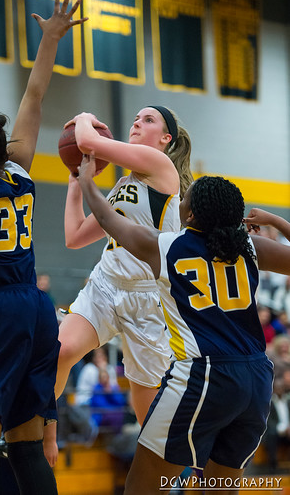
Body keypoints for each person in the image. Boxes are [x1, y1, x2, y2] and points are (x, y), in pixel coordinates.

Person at [77, 158, 290, 494]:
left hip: (205, 376)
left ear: (189, 215)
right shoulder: (249, 247)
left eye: (184, 199)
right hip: (256, 380)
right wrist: (276, 219)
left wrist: (86, 180)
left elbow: (106, 218)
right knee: (220, 489)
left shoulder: (166, 246)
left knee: (141, 487)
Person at [0, 0, 87, 495]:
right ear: (3, 151)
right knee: (27, 446)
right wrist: (51, 37)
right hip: (37, 309)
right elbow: (33, 96)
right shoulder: (21, 171)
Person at [56, 106, 193, 425]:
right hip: (105, 285)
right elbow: (74, 237)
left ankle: (176, 472)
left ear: (165, 138)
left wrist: (85, 117)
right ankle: (35, 436)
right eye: (136, 117)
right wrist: (76, 185)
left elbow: (88, 139)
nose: (136, 122)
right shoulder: (121, 187)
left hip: (147, 299)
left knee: (146, 411)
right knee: (60, 352)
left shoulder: (160, 165)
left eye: (148, 120)